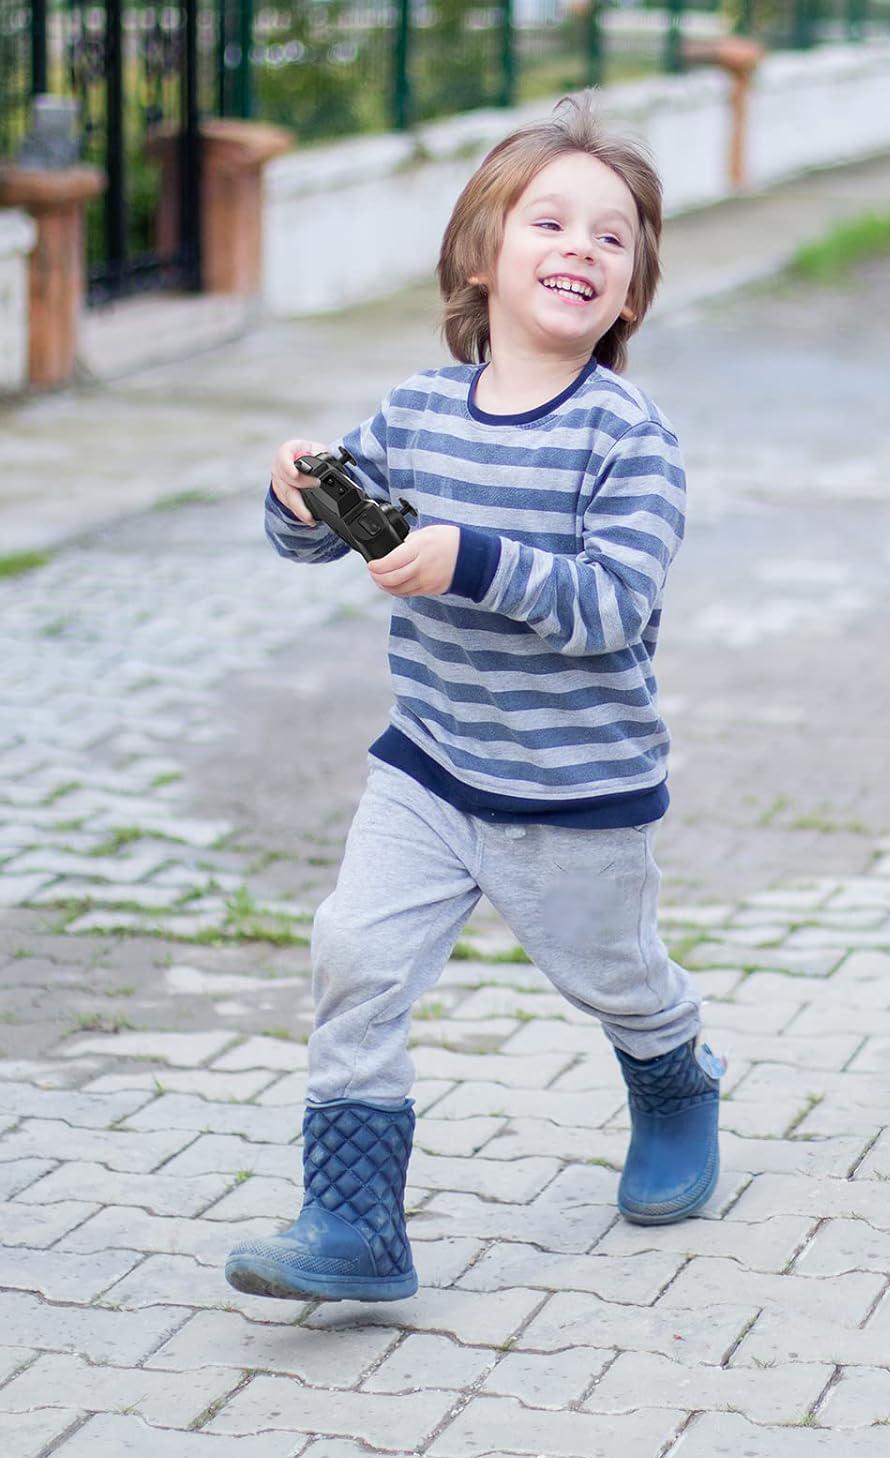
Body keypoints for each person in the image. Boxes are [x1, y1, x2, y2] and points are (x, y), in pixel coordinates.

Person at [225, 97, 722, 1304]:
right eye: (550, 221)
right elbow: (329, 546)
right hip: (431, 765)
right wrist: (302, 502)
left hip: (575, 789)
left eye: (614, 238)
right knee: (355, 952)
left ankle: (674, 1080)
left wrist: (470, 560)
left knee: (612, 976)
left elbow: (613, 604)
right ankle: (353, 1231)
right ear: (479, 258)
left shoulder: (629, 441)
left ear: (634, 291)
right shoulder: (415, 408)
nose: (582, 249)